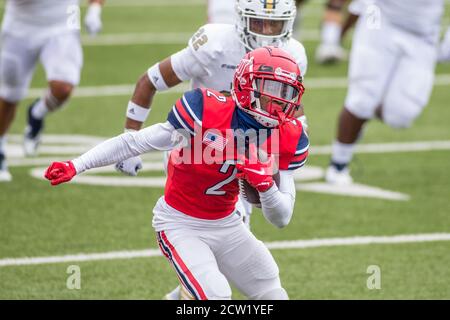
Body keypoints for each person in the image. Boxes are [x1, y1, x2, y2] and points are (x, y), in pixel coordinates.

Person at [45, 46, 310, 300]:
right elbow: (135, 142)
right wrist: (77, 164)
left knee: (271, 291)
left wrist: (265, 185)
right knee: (216, 294)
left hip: (229, 224)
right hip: (181, 223)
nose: (279, 100)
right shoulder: (206, 109)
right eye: (272, 89)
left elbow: (281, 218)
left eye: (287, 92)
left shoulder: (289, 135)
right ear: (245, 84)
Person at [325, 0, 445, 184]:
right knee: (361, 99)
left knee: (401, 115)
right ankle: (338, 164)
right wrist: (340, 33)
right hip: (380, 23)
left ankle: (366, 114)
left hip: (423, 34)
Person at [0, 0, 104, 182]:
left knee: (63, 87)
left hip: (63, 20)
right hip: (20, 23)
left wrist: (95, 8)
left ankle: (37, 113)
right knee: (9, 94)